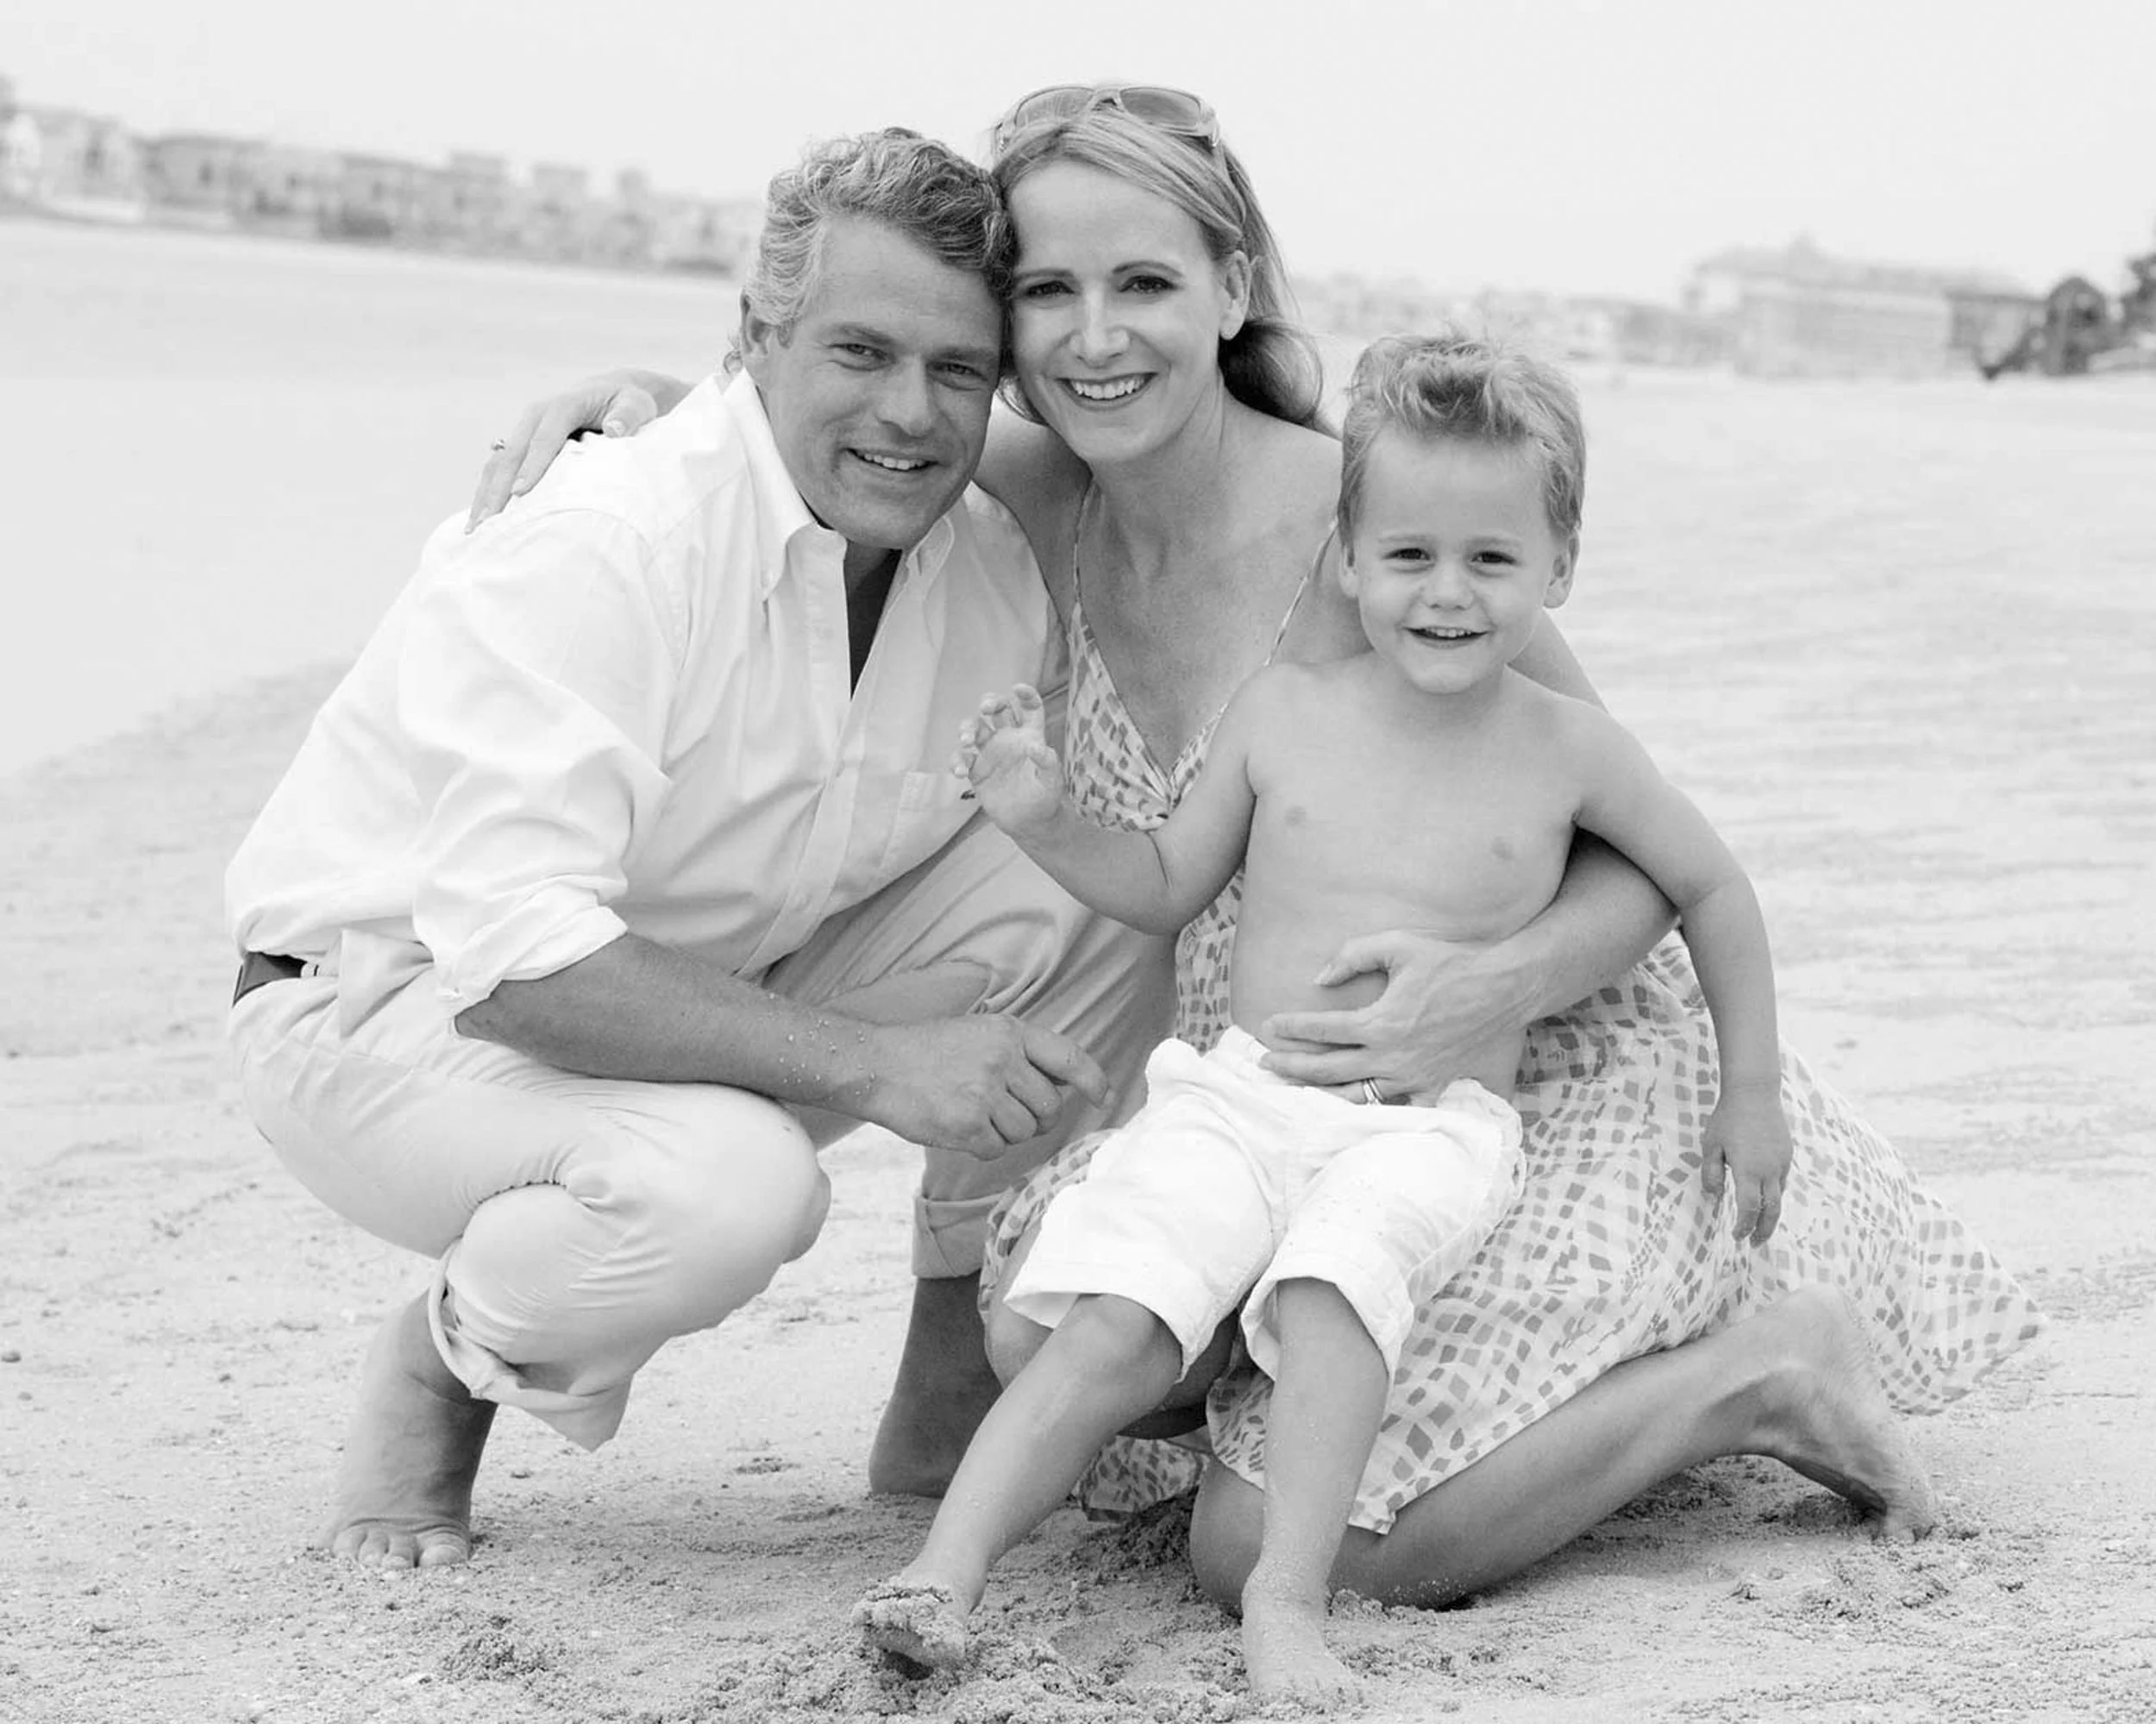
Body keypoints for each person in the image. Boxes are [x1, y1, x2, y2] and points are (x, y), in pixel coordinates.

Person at [476, 83, 2040, 1640]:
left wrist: (1482, 983)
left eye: (1144, 282)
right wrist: (640, 404)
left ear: (1232, 287)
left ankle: (1754, 1376)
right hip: (1268, 1097)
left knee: (1269, 1552)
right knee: (1059, 1339)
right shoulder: (1026, 495)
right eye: (1047, 293)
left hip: (1514, 1087)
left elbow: (1642, 856)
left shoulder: (1370, 532)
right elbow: (828, 414)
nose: (1097, 336)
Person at [223, 127, 1178, 1570]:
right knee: (735, 1189)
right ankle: (442, 1361)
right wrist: (879, 1065)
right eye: (858, 353)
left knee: (1104, 890)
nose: (910, 415)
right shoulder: (610, 534)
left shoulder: (986, 560)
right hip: (379, 1007)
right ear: (755, 338)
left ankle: (948, 1387)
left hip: (698, 983)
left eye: (958, 372)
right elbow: (511, 963)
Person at [856, 330, 1799, 1704]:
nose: (1447, 594)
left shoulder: (1567, 747)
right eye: (1409, 555)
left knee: (1331, 1282)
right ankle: (943, 1572)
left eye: (1492, 560)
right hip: (1240, 1098)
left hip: (1427, 1130)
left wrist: (1751, 1089)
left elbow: (1710, 882)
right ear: (1348, 557)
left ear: (1560, 571)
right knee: (1111, 1312)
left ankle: (1286, 1602)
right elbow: (1167, 877)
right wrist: (1041, 816)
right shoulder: (1284, 713)